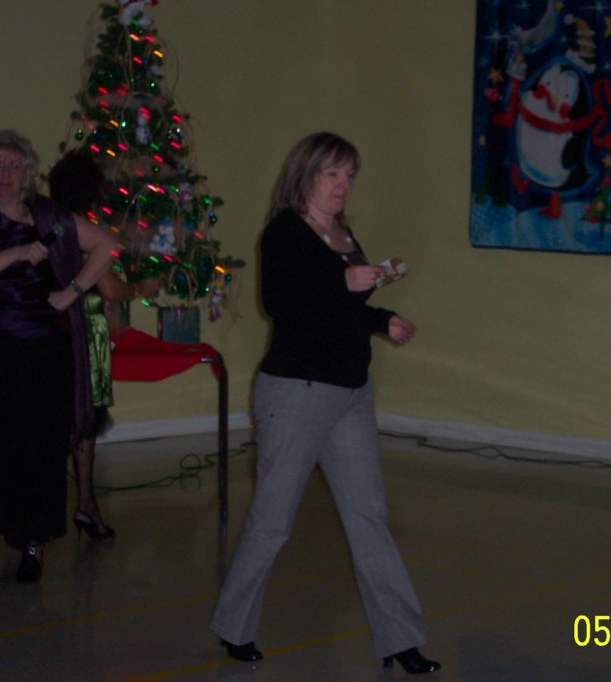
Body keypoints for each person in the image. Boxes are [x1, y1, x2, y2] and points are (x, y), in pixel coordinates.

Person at [208, 132, 439, 674]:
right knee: (273, 520)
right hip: (297, 394)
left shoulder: (343, 234)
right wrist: (343, 282)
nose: (342, 184)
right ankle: (233, 626)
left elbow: (344, 310)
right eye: (332, 173)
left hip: (351, 394)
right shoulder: (285, 232)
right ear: (306, 175)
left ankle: (400, 639)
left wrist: (382, 319)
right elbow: (282, 305)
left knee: (369, 517)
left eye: (349, 175)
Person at [0, 130, 115, 584]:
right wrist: (17, 252)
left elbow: (106, 246)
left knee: (36, 450)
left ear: (27, 174)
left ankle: (32, 545)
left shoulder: (49, 216)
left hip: (43, 354)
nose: (5, 173)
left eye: (14, 166)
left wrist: (71, 292)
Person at [48, 149, 160, 540]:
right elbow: (110, 288)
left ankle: (66, 507)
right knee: (84, 419)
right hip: (84, 331)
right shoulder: (84, 230)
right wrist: (140, 288)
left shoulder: (50, 227)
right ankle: (85, 503)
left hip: (54, 331)